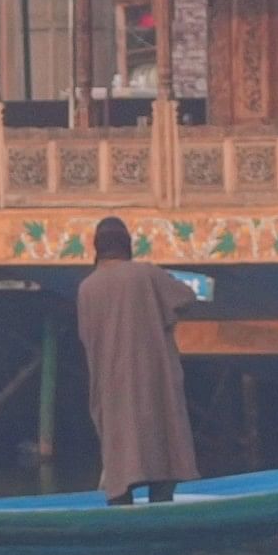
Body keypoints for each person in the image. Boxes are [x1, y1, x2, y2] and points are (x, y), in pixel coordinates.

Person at [74, 215, 201, 504]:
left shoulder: (87, 288)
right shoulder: (146, 274)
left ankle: (121, 508)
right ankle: (160, 510)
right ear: (126, 245)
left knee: (120, 455)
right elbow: (186, 298)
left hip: (110, 383)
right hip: (153, 379)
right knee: (162, 448)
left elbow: (86, 335)